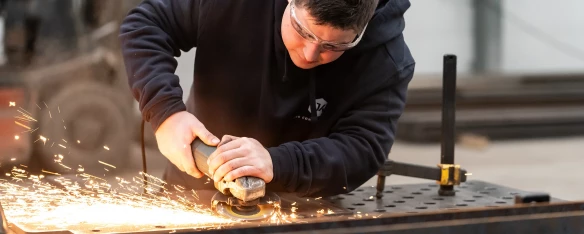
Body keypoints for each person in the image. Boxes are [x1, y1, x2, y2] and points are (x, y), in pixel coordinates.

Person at [119, 0, 415, 198]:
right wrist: (166, 113)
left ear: (362, 31)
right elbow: (146, 25)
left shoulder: (386, 59)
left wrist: (277, 163)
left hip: (302, 208)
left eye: (334, 45)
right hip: (193, 191)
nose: (310, 54)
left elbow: (364, 147)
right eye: (302, 31)